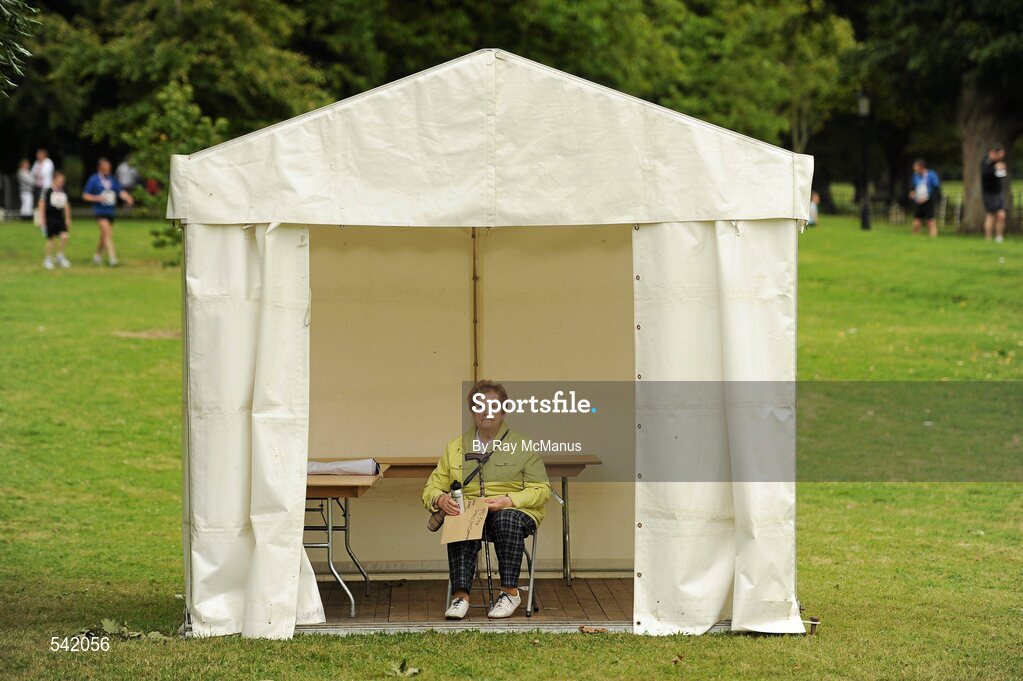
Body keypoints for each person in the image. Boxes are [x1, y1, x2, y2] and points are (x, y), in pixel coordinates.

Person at [423, 380, 551, 620]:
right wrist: (440, 501)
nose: (486, 411)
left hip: (513, 512)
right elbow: (431, 487)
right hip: (472, 512)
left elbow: (542, 489)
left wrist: (509, 500)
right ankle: (460, 597)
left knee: (506, 520)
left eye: (493, 405)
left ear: (504, 411)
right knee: (458, 516)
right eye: (480, 405)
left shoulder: (522, 445)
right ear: (472, 411)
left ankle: (510, 593)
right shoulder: (455, 447)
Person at [82, 157, 134, 266]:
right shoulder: (94, 179)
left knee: (104, 236)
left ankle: (97, 256)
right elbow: (85, 195)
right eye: (105, 168)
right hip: (99, 211)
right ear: (100, 168)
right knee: (107, 235)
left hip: (110, 211)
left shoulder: (112, 179)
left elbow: (120, 191)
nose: (107, 170)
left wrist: (128, 198)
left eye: (109, 168)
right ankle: (112, 258)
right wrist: (97, 198)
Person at [39, 171, 72, 270]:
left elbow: (66, 205)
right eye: (60, 179)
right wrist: (42, 219)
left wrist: (67, 218)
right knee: (51, 238)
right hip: (50, 217)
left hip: (60, 217)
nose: (62, 181)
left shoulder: (63, 191)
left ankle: (60, 256)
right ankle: (48, 259)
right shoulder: (47, 190)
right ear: (54, 179)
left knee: (64, 236)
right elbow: (41, 204)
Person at [980, 144, 1007, 243]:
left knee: (1001, 215)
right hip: (989, 193)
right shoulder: (986, 162)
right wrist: (995, 169)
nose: (1001, 156)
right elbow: (985, 174)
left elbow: (1001, 175)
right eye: (999, 154)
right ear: (992, 153)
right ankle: (988, 238)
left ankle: (999, 237)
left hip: (998, 192)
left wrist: (1001, 169)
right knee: (991, 215)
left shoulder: (998, 162)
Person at [909, 159, 940, 238]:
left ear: (921, 166)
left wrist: (930, 197)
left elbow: (936, 188)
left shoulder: (931, 174)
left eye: (916, 166)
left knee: (930, 219)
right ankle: (915, 235)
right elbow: (913, 187)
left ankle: (933, 235)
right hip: (918, 200)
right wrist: (912, 193)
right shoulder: (915, 175)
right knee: (916, 218)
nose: (914, 168)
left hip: (928, 199)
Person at [30, 148, 55, 225]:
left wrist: (37, 174)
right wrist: (37, 174)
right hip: (37, 186)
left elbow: (44, 173)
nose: (38, 156)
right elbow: (32, 173)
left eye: (39, 154)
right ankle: (40, 219)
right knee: (39, 203)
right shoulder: (37, 163)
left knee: (45, 202)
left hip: (46, 186)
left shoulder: (48, 162)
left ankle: (47, 218)